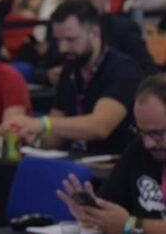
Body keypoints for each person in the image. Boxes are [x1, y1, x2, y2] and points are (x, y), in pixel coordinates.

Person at [10, 0, 141, 155]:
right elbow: (55, 136)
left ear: (95, 33)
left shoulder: (122, 69)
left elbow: (100, 127)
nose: (62, 48)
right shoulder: (70, 69)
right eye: (58, 41)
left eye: (70, 40)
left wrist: (42, 123)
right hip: (74, 159)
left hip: (111, 165)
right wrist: (32, 139)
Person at [57, 74, 166, 234]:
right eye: (142, 132)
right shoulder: (138, 149)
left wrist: (131, 225)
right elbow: (111, 209)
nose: (148, 143)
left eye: (157, 134)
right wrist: (92, 214)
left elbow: (125, 224)